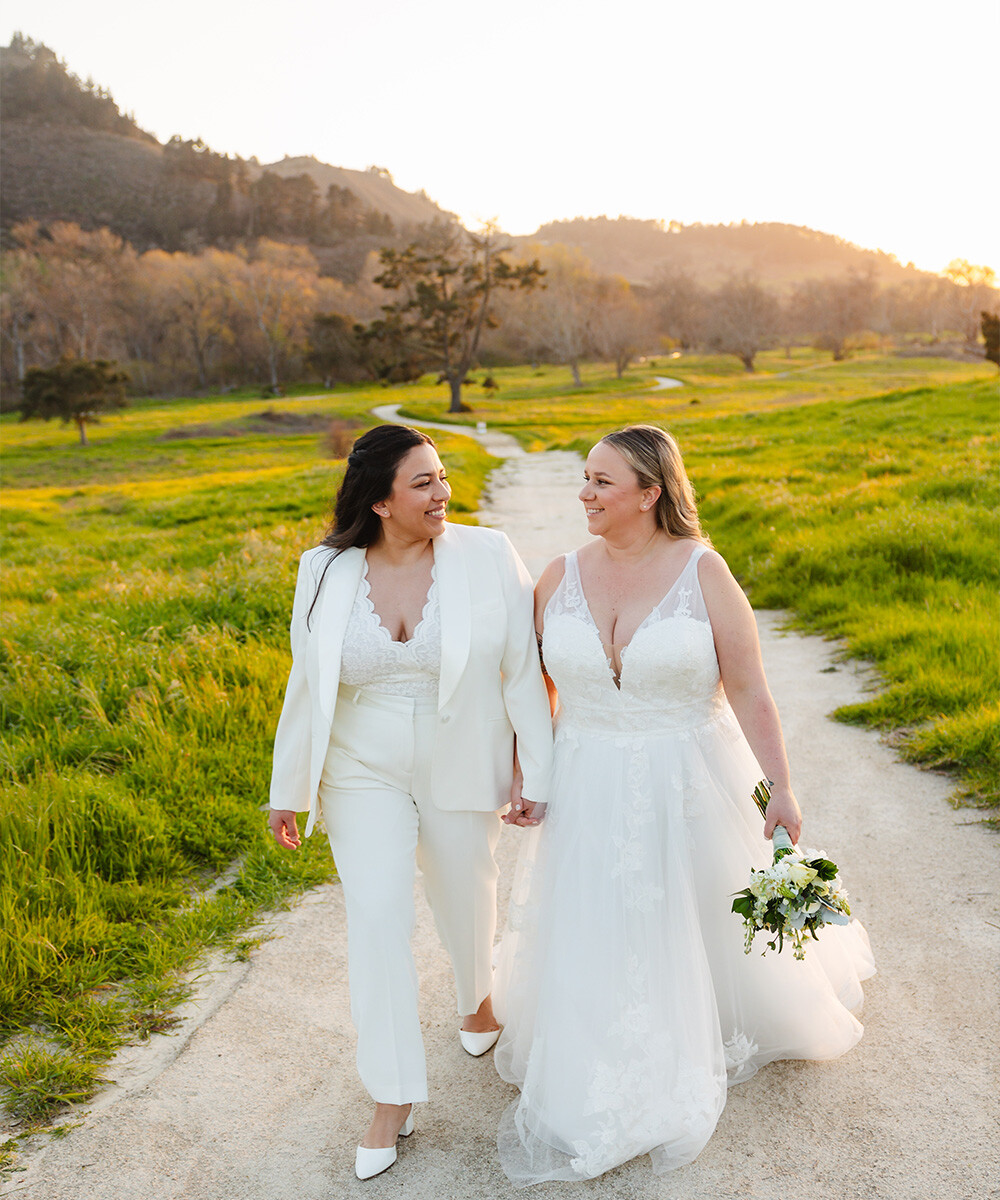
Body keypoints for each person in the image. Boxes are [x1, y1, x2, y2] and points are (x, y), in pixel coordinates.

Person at [492, 424, 875, 1186]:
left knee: (691, 909)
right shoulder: (557, 575)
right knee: (599, 918)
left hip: (688, 772)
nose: (585, 494)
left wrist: (783, 786)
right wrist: (523, 772)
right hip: (587, 779)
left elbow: (750, 686)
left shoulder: (703, 571)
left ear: (649, 492)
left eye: (602, 481)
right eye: (586, 479)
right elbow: (534, 687)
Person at [268, 424, 552, 1180]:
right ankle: (392, 1097)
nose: (443, 492)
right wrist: (286, 788)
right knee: (378, 917)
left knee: (466, 892)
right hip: (360, 766)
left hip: (462, 753)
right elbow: (307, 681)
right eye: (423, 482)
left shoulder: (487, 555)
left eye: (443, 476)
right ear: (381, 500)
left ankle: (477, 1001)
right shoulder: (322, 569)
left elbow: (524, 670)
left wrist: (536, 769)